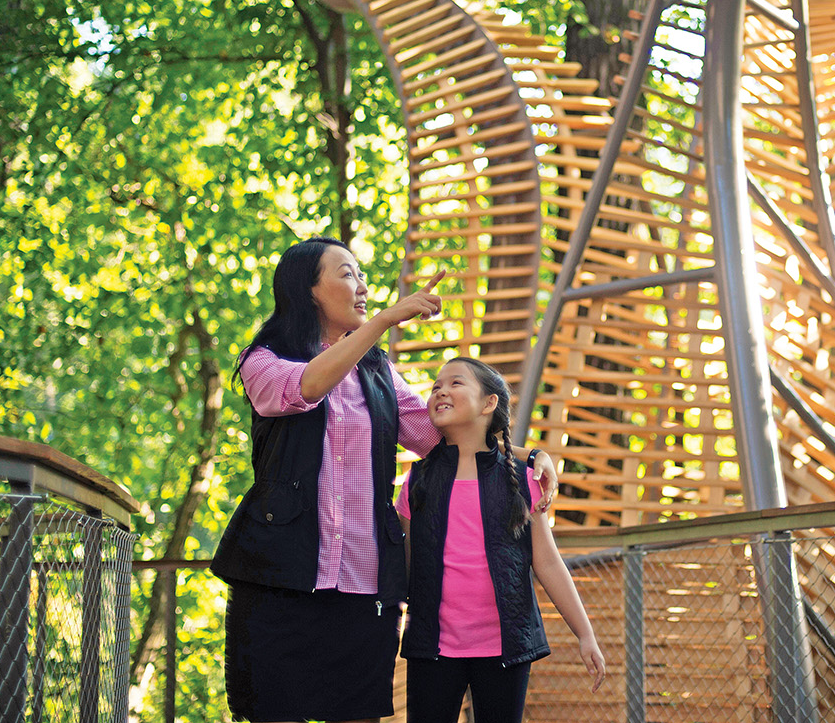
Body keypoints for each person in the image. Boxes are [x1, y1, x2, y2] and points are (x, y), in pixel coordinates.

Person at [210, 237, 558, 723]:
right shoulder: (264, 361)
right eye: (347, 273)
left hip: (363, 582)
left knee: (358, 714)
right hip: (278, 578)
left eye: (362, 274)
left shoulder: (378, 372)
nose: (363, 285)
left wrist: (529, 454)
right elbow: (306, 388)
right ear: (307, 289)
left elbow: (440, 438)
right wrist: (384, 321)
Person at [396, 356, 606, 723]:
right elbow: (406, 566)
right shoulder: (416, 482)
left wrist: (585, 633)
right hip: (432, 648)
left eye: (456, 383)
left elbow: (548, 562)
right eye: (435, 386)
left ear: (489, 403)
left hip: (505, 649)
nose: (441, 390)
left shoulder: (522, 480)